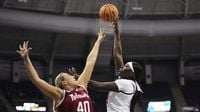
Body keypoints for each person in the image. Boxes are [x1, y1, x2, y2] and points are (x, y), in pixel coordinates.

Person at [16, 29, 105, 112]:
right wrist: (26, 59)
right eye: (69, 76)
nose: (73, 76)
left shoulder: (81, 87)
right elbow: (37, 80)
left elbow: (90, 63)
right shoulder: (60, 95)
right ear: (64, 83)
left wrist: (98, 42)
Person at [69, 19, 144, 112]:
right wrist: (117, 33)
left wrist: (80, 77)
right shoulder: (131, 83)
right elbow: (118, 54)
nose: (122, 66)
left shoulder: (126, 84)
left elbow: (97, 86)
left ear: (131, 74)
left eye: (126, 67)